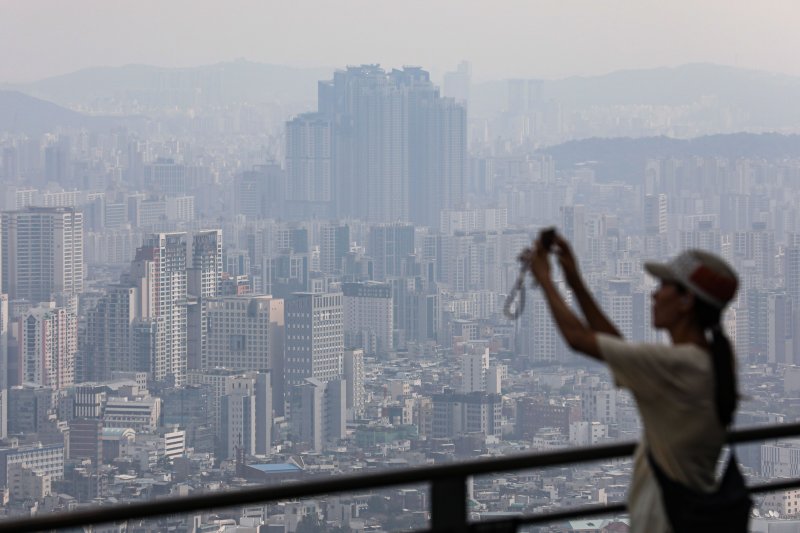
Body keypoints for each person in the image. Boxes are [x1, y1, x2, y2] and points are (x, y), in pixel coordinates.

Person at [521, 230, 740, 533]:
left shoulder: (679, 365)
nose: (654, 294)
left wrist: (544, 278)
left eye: (664, 286)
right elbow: (619, 350)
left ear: (686, 300)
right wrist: (574, 283)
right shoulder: (708, 362)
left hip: (665, 522)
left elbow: (578, 339)